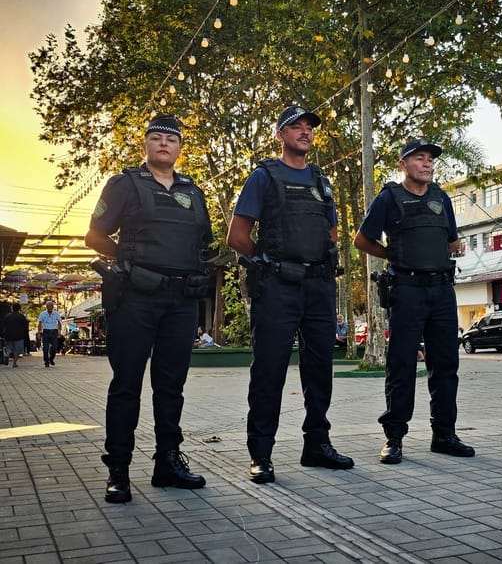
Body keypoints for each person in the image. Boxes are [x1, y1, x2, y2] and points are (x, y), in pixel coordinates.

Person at [85, 114, 212, 503]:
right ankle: (119, 472)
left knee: (170, 387)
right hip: (135, 299)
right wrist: (128, 260)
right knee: (126, 385)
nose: (163, 144)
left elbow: (203, 243)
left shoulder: (194, 192)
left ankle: (167, 464)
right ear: (145, 145)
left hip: (180, 303)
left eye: (170, 140)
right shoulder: (125, 184)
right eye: (156, 138)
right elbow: (94, 234)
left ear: (178, 148)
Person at [226, 105, 353, 484]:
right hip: (277, 287)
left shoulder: (320, 180)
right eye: (295, 127)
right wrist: (268, 264)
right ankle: (261, 454)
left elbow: (331, 233)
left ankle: (317, 444)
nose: (304, 132)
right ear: (280, 135)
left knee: (320, 371)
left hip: (318, 287)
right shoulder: (264, 177)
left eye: (308, 127)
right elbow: (237, 235)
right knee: (269, 372)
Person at [354, 138, 475, 464]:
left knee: (446, 365)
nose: (427, 164)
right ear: (403, 164)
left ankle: (444, 435)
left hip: (442, 292)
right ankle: (394, 438)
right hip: (406, 291)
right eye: (419, 158)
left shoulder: (441, 198)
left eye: (430, 160)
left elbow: (452, 242)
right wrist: (392, 254)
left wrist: (430, 253)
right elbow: (362, 239)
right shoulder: (389, 198)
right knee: (402, 365)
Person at [37, 300, 62, 367]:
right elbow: (39, 323)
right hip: (46, 331)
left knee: (54, 347)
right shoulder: (42, 314)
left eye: (51, 306)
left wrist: (59, 332)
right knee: (45, 348)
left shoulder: (56, 313)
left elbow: (59, 323)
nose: (49, 307)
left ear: (53, 307)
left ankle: (51, 359)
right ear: (46, 307)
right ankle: (46, 362)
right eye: (48, 306)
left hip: (54, 331)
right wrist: (39, 332)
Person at [3, 302, 28, 367]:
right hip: (19, 335)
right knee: (18, 349)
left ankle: (7, 355)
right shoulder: (21, 316)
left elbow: (4, 325)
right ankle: (14, 363)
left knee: (9, 347)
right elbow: (25, 326)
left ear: (12, 308)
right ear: (19, 308)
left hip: (8, 334)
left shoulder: (7, 316)